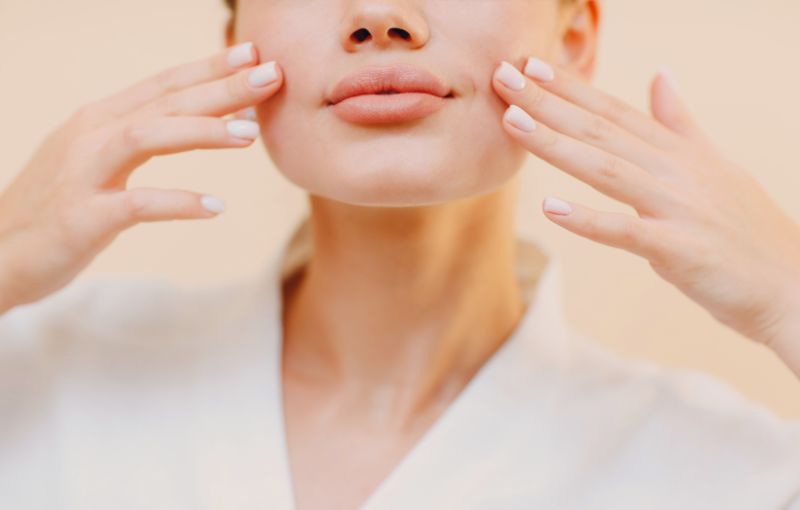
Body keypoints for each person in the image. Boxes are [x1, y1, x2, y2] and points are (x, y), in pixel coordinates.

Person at [1, 0, 799, 508]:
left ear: (575, 36)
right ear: (235, 39)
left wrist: (787, 291)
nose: (381, 18)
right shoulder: (44, 372)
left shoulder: (734, 471)